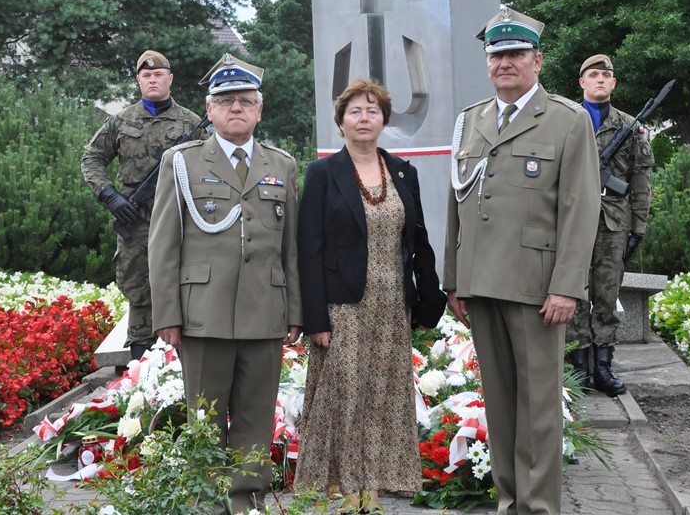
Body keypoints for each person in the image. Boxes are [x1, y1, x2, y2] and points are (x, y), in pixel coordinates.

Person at [443, 7, 601, 515]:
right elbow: (457, 207)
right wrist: (454, 279)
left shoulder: (566, 120)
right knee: (501, 407)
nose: (504, 63)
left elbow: (581, 210)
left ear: (537, 60)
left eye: (514, 54)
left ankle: (539, 509)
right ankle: (510, 503)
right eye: (496, 55)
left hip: (537, 288)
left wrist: (566, 286)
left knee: (538, 411)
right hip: (481, 284)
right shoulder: (471, 121)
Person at [148, 53, 302, 514]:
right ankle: (208, 504)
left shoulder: (283, 165)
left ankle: (247, 504)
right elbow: (162, 245)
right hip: (203, 315)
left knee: (256, 419)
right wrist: (168, 315)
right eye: (226, 100)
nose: (236, 108)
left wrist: (294, 312)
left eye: (246, 101)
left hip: (265, 313)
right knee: (205, 420)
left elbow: (290, 248)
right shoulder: (181, 162)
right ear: (209, 110)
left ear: (260, 110)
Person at [293, 79, 446, 512]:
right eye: (355, 111)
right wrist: (315, 320)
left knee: (382, 399)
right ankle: (347, 494)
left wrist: (429, 298)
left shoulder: (402, 171)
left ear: (384, 120)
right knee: (345, 398)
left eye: (373, 110)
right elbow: (310, 249)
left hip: (392, 305)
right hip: (343, 307)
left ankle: (372, 492)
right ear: (341, 121)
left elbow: (418, 239)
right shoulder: (322, 174)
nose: (364, 118)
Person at [81, 50, 201, 363]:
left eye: (158, 74)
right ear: (138, 81)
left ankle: (183, 368)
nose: (152, 79)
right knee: (139, 290)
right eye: (146, 75)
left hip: (181, 218)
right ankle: (139, 370)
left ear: (170, 79)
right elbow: (91, 158)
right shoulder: (121, 121)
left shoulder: (190, 122)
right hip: (136, 221)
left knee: (187, 284)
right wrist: (110, 195)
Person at [566, 54, 654, 397]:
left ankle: (603, 368)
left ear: (613, 83)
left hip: (612, 223)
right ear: (582, 83)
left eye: (606, 75)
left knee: (606, 294)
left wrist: (639, 229)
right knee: (573, 294)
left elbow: (640, 181)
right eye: (593, 75)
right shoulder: (565, 122)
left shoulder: (630, 126)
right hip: (571, 221)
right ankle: (578, 369)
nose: (600, 79)